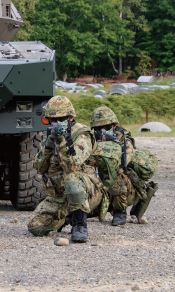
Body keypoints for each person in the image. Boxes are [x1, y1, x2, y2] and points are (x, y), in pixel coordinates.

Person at [27, 96, 107, 243]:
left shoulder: (81, 135)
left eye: (61, 119)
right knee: (35, 227)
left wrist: (62, 143)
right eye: (52, 120)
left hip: (86, 191)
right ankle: (66, 215)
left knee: (72, 179)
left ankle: (79, 225)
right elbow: (39, 168)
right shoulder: (50, 135)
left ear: (70, 118)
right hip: (60, 194)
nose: (56, 123)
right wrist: (49, 146)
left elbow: (71, 166)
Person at [89, 107, 158, 225]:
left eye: (106, 128)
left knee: (116, 177)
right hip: (101, 185)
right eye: (98, 128)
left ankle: (120, 211)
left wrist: (111, 147)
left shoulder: (124, 142)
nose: (101, 131)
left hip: (125, 189)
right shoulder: (91, 141)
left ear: (114, 126)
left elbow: (121, 165)